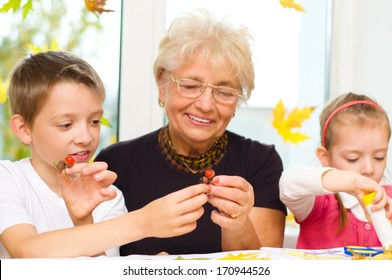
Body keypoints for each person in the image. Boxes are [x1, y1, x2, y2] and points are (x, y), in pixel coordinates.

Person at [95, 9, 287, 255]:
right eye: (190, 86)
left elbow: (263, 270)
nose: (206, 105)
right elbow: (94, 262)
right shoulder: (116, 163)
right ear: (162, 85)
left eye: (225, 92)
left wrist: (237, 224)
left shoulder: (260, 162)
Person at [0, 51, 209, 258]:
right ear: (24, 129)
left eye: (94, 121)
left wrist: (83, 221)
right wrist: (143, 222)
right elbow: (26, 250)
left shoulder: (109, 198)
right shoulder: (7, 179)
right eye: (66, 124)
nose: (85, 137)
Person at [279, 92, 392, 249]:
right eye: (353, 158)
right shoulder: (318, 204)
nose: (369, 169)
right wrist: (352, 182)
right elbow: (287, 184)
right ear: (325, 157)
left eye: (379, 157)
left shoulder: (389, 201)